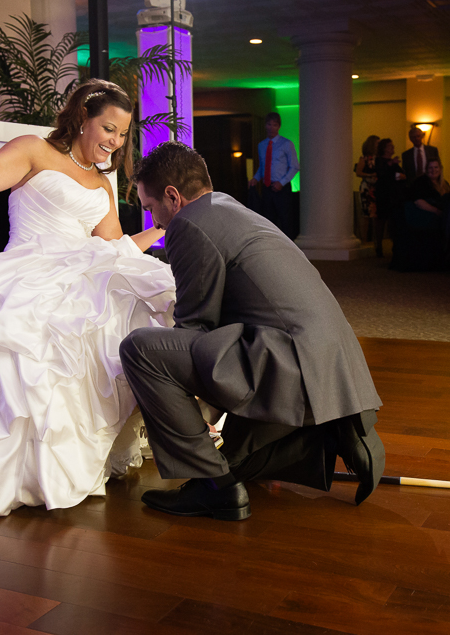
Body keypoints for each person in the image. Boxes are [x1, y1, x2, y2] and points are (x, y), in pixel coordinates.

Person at [0, 64, 176, 517]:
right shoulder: (34, 149)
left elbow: (113, 245)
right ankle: (36, 467)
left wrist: (165, 228)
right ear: (83, 116)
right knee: (43, 337)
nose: (115, 142)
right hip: (31, 266)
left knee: (147, 296)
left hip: (82, 264)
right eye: (109, 128)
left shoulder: (104, 182)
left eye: (123, 134)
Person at [121, 141, 385, 521]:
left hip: (288, 361)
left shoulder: (188, 225)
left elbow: (197, 325)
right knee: (236, 456)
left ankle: (214, 486)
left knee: (140, 349)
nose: (156, 224)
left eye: (151, 210)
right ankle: (325, 429)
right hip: (333, 361)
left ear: (173, 197)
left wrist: (197, 408)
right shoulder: (230, 207)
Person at [248, 112, 299, 237]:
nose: (271, 128)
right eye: (269, 124)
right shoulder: (262, 145)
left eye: (274, 125)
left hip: (282, 187)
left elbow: (295, 166)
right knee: (268, 220)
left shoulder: (286, 144)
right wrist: (255, 178)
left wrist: (281, 183)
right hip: (267, 187)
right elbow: (263, 166)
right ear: (265, 126)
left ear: (279, 126)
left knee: (285, 220)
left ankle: (289, 248)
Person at [373, 138, 407, 257]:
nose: (393, 148)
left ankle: (395, 244)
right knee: (381, 219)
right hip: (384, 193)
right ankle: (379, 245)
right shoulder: (379, 160)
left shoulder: (393, 162)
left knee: (394, 219)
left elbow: (401, 174)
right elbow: (381, 173)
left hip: (395, 194)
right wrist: (391, 164)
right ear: (384, 148)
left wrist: (403, 176)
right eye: (390, 146)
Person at [354, 135, 380, 242]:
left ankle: (375, 240)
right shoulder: (364, 158)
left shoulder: (379, 159)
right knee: (366, 215)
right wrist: (371, 175)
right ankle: (364, 239)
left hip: (377, 188)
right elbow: (358, 172)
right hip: (367, 189)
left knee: (376, 215)